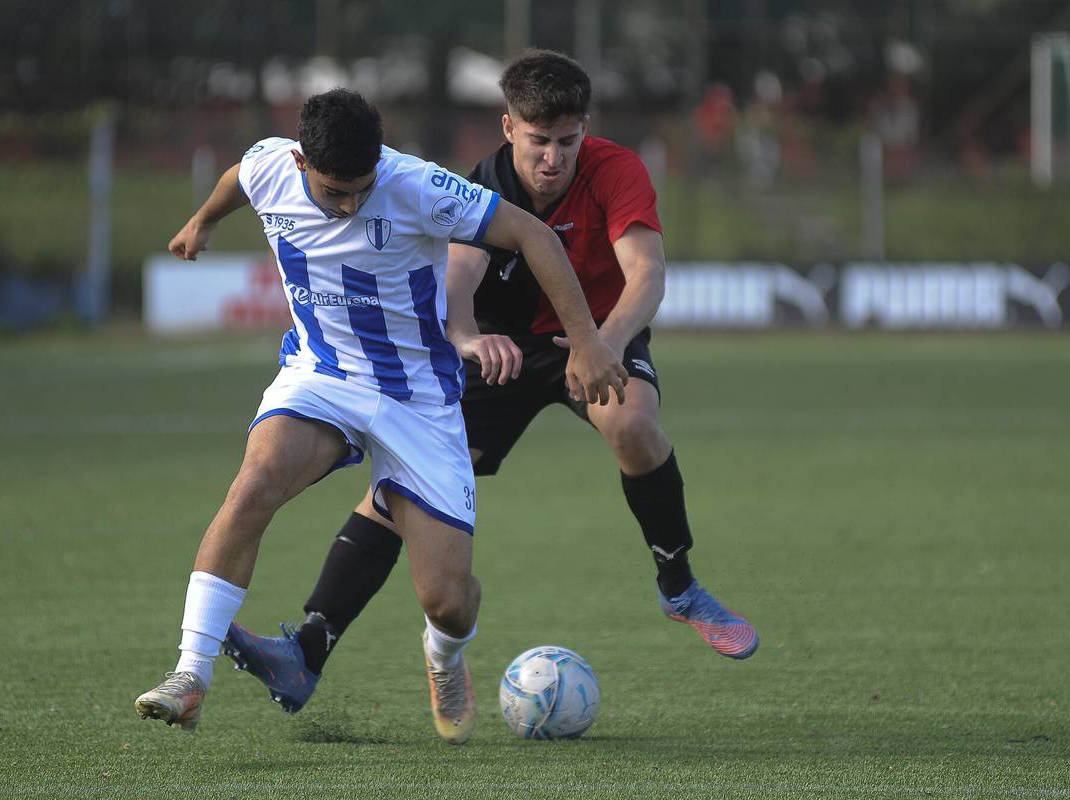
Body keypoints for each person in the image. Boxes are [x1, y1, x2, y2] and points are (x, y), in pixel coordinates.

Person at [223, 50, 758, 720]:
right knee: (401, 491)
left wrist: (601, 345)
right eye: (539, 142)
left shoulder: (617, 170)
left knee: (630, 420)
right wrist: (471, 339)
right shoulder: (484, 182)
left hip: (596, 334)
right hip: (502, 354)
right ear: (509, 128)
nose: (554, 158)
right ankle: (308, 646)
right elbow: (459, 280)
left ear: (585, 130)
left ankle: (679, 587)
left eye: (568, 142)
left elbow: (645, 274)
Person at [132, 88, 627, 745]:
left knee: (447, 599)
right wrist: (204, 220)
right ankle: (189, 675)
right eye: (335, 192)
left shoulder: (418, 187)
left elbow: (533, 234)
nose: (349, 205)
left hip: (418, 399)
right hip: (321, 375)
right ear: (302, 163)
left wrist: (588, 339)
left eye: (361, 190)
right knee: (254, 485)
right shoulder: (271, 166)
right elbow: (238, 180)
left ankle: (444, 657)